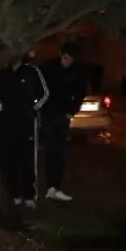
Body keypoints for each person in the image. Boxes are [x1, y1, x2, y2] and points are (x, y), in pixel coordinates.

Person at [0, 56, 49, 209]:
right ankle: (14, 193)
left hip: (26, 122)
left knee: (28, 158)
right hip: (7, 122)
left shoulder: (31, 71)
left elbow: (44, 93)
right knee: (10, 158)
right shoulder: (3, 73)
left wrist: (32, 109)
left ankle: (29, 195)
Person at [39, 42, 86, 202]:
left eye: (70, 59)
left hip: (62, 116)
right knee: (52, 151)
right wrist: (42, 109)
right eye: (65, 58)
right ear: (61, 55)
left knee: (59, 152)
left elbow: (80, 92)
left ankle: (55, 186)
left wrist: (71, 110)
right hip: (48, 115)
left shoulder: (76, 71)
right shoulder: (48, 68)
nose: (68, 62)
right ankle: (52, 186)